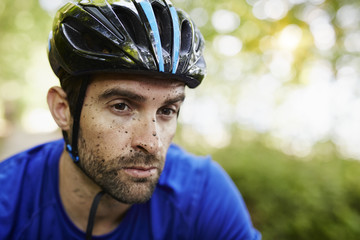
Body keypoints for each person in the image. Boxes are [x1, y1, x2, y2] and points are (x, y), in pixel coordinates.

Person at [0, 0, 261, 239]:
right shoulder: (8, 199)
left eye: (167, 110)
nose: (151, 143)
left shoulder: (202, 194)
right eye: (122, 106)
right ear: (62, 109)